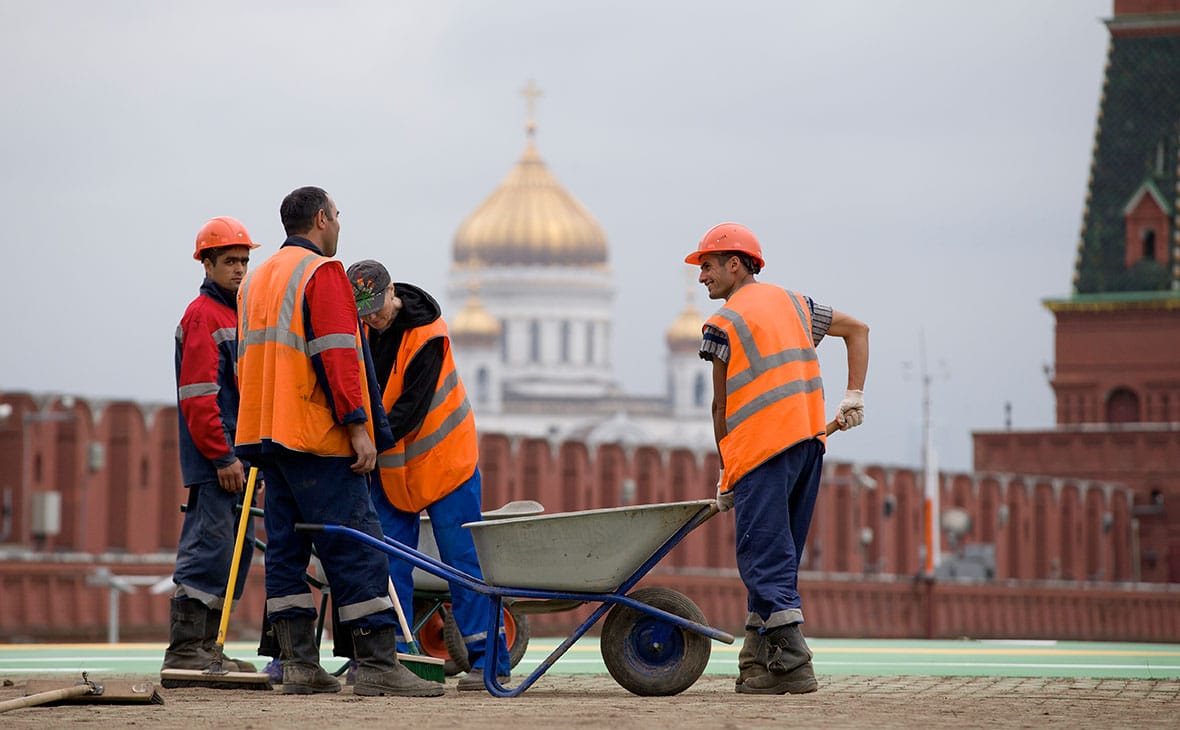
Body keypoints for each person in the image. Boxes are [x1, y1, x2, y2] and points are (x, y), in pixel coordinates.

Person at [234, 186, 443, 698]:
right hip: (315, 437)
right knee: (356, 545)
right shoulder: (321, 274)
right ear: (323, 218)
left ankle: (299, 664)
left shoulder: (256, 280)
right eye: (338, 217)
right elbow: (337, 355)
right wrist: (357, 425)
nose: (339, 227)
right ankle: (375, 664)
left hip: (265, 434)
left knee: (285, 549)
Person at [686, 222, 869, 696]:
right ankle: (758, 660)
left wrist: (727, 473)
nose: (701, 276)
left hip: (762, 452)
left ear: (735, 264)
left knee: (762, 555)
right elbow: (858, 330)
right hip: (808, 445)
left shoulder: (722, 324)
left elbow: (720, 406)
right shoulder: (797, 304)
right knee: (778, 555)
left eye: (707, 266)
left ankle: (792, 661)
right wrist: (854, 396)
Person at [346, 259, 512, 692]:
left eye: (375, 309)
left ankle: (489, 662)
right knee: (387, 561)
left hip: (446, 461)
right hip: (395, 466)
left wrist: (361, 442)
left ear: (391, 294)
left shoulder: (428, 336)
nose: (371, 319)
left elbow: (408, 411)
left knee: (462, 562)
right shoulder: (362, 330)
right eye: (361, 312)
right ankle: (394, 660)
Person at [165, 216, 261, 676]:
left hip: (238, 459)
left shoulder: (237, 313)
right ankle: (187, 650)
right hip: (217, 462)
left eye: (244, 260)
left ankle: (210, 649)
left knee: (233, 552)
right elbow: (199, 397)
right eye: (230, 261)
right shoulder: (204, 315)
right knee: (209, 548)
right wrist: (222, 456)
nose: (240, 269)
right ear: (206, 263)